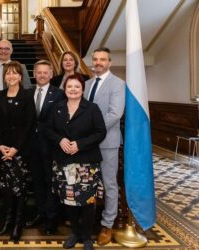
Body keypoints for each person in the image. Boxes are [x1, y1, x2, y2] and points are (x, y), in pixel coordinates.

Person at [46, 74, 106, 250]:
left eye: (76, 87)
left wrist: (80, 144)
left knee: (87, 202)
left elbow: (100, 132)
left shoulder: (92, 108)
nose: (73, 89)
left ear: (82, 89)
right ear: (65, 89)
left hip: (86, 163)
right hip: (64, 162)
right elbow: (47, 129)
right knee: (69, 200)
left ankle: (87, 237)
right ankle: (75, 233)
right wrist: (60, 140)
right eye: (69, 86)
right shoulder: (56, 107)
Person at [84, 47, 125, 246]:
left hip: (107, 142)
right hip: (87, 144)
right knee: (87, 183)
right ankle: (87, 221)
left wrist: (93, 132)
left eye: (102, 59)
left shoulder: (118, 84)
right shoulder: (86, 84)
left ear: (109, 62)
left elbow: (115, 113)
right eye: (95, 59)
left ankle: (107, 224)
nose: (98, 62)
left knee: (109, 184)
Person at [0, 61, 35, 242]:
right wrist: (0, 145)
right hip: (2, 149)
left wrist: (16, 148)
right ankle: (7, 221)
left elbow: (29, 125)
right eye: (8, 73)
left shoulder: (27, 96)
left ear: (20, 76)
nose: (11, 76)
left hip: (20, 149)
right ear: (4, 76)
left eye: (15, 73)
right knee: (7, 189)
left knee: (19, 189)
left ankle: (18, 224)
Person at [25, 60, 64, 235]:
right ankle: (40, 213)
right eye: (38, 72)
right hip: (32, 147)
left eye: (45, 72)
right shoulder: (27, 93)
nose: (41, 75)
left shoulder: (60, 94)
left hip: (51, 147)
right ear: (34, 73)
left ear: (51, 74)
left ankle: (51, 218)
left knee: (51, 182)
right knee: (37, 182)